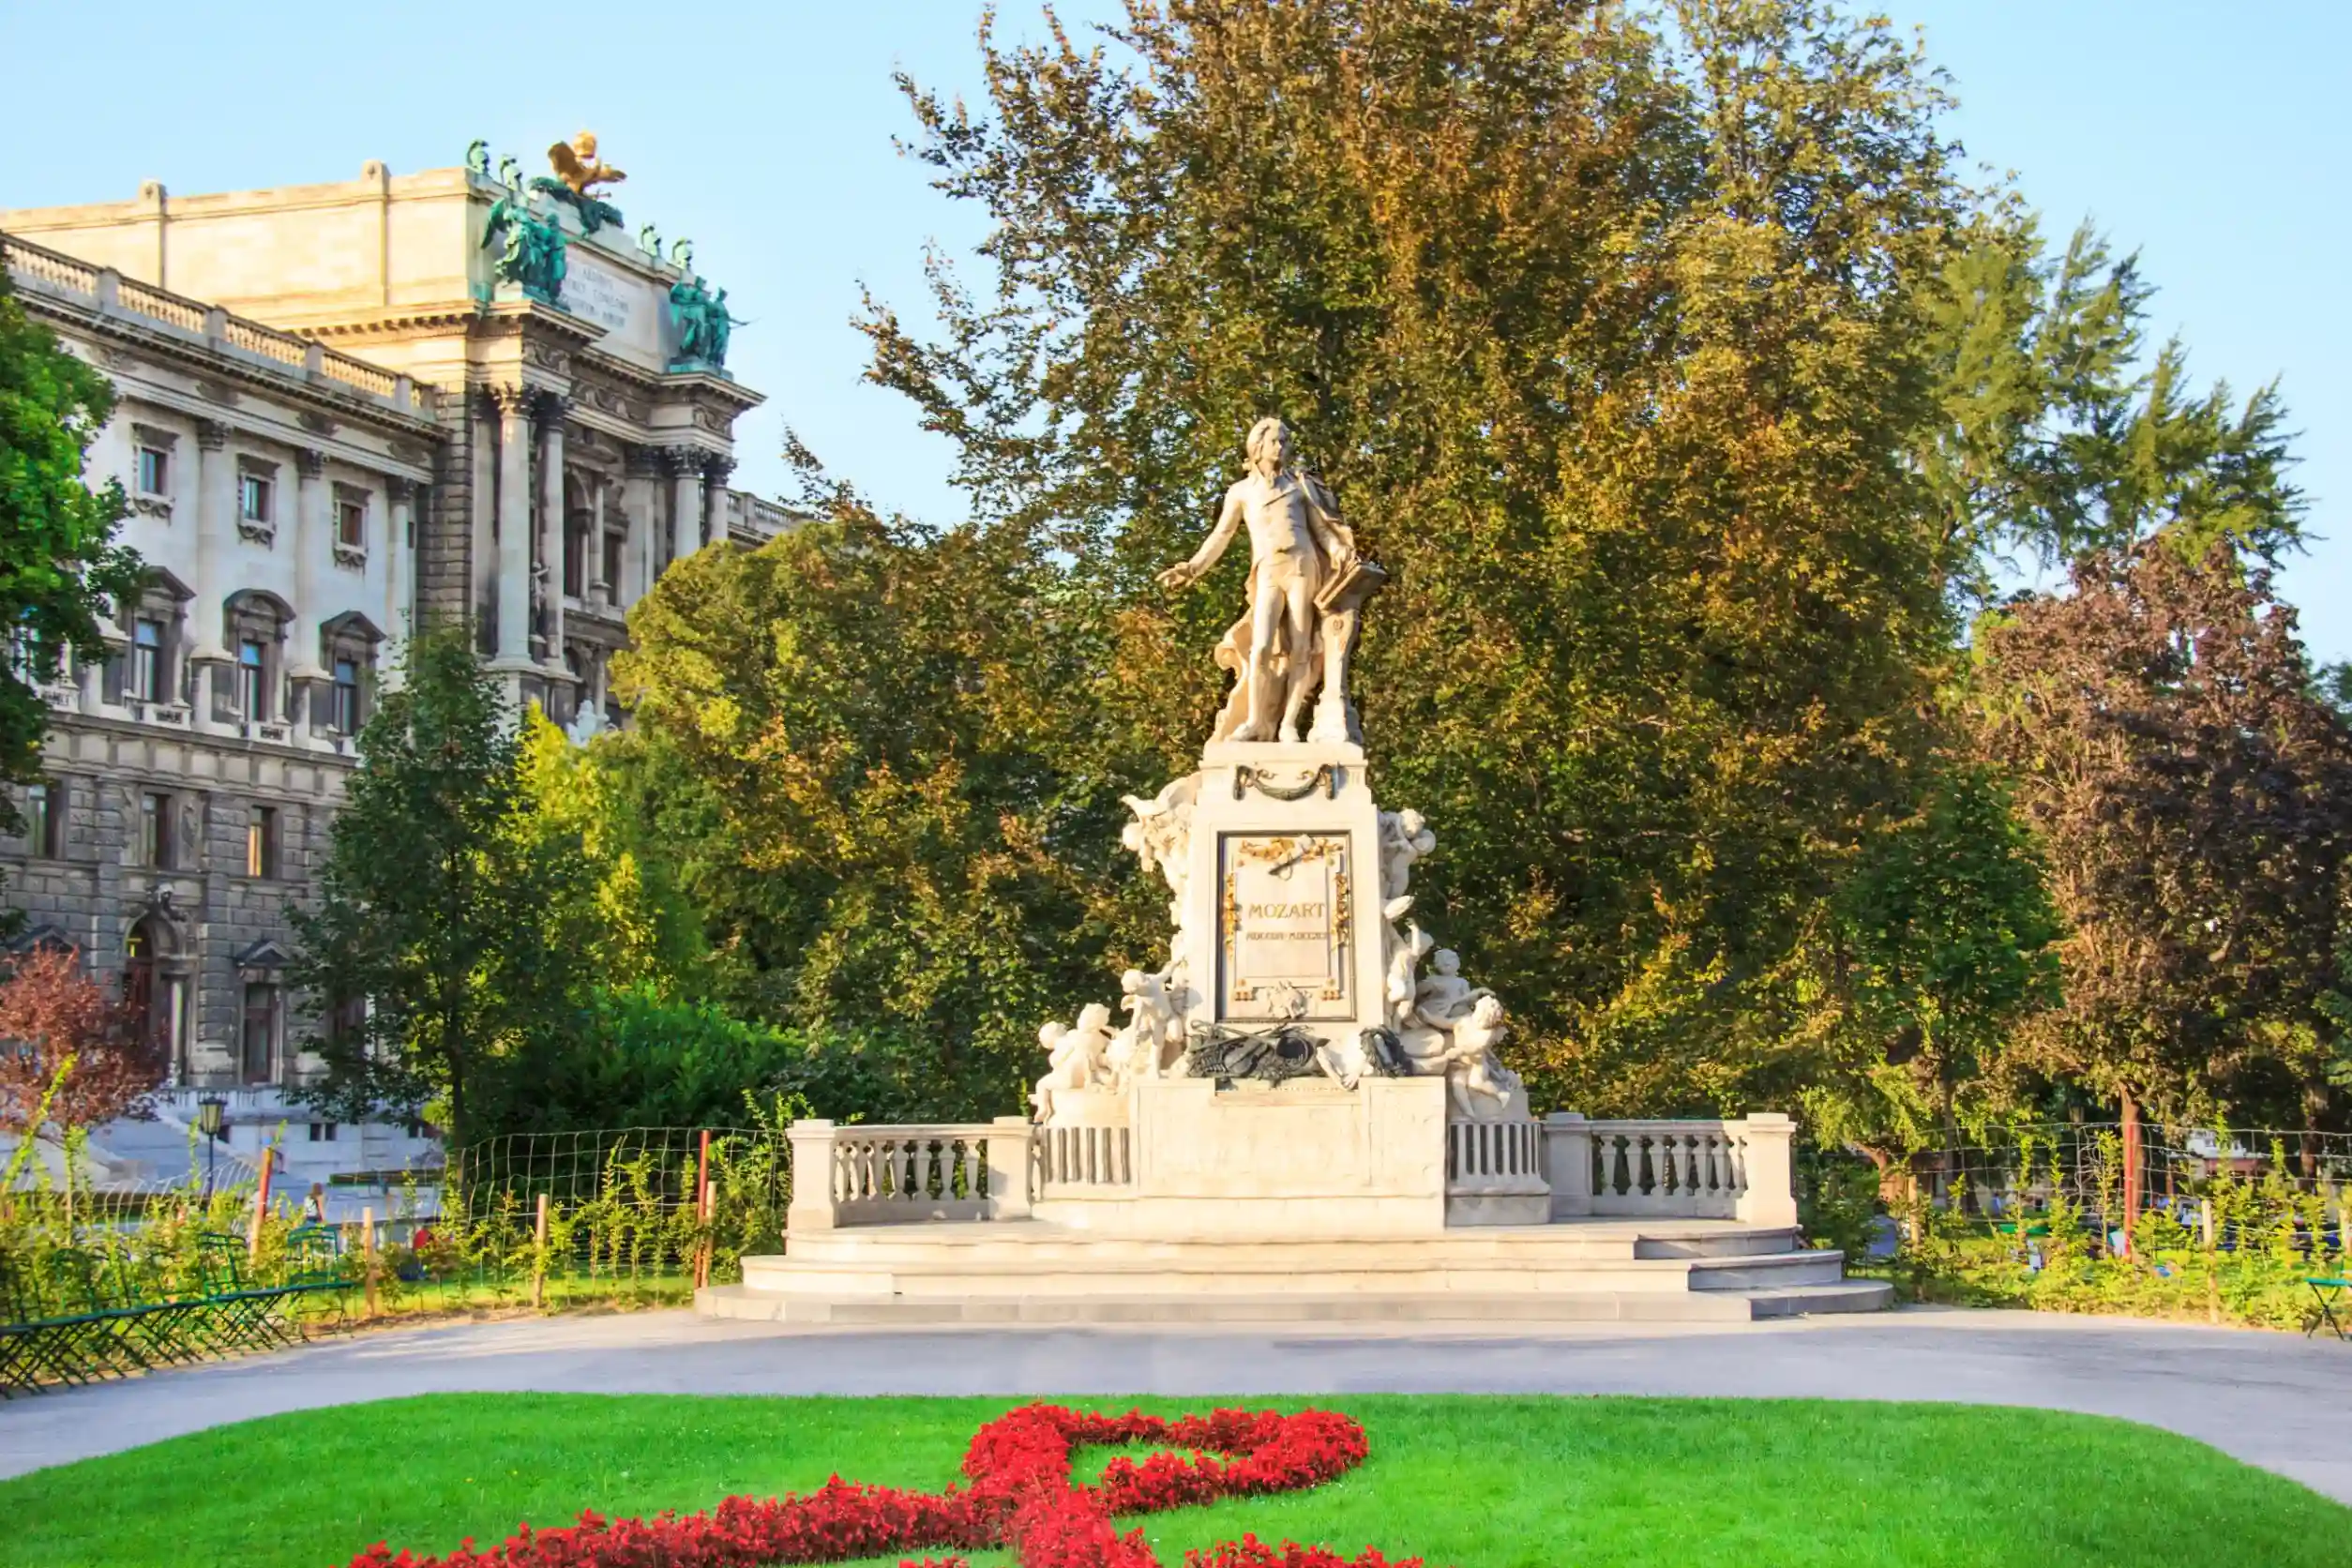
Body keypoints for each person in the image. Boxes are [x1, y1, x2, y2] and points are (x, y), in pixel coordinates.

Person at [1159, 418, 1358, 742]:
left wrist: (1336, 547)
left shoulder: (1299, 485)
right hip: (1268, 568)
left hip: (1301, 565)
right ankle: (1255, 721)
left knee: (1300, 646)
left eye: (1284, 441)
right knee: (1261, 646)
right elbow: (1221, 534)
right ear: (1258, 446)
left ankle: (1289, 724)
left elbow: (1320, 529)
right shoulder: (1241, 492)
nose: (1281, 447)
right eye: (1275, 442)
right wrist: (1192, 568)